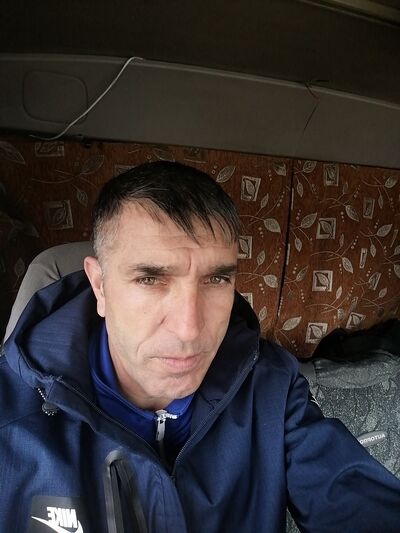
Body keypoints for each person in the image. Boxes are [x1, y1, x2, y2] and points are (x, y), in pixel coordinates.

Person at [1, 161, 399, 533]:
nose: (190, 329)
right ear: (100, 286)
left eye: (216, 280)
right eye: (150, 279)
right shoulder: (10, 417)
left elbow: (353, 499)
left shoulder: (270, 387)